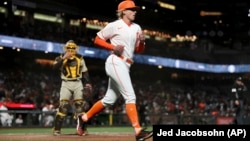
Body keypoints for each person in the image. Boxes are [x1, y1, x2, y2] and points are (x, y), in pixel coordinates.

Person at [77, 0, 153, 140]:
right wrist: (112, 47)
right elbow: (97, 39)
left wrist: (142, 42)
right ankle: (138, 131)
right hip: (116, 61)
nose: (135, 11)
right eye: (131, 9)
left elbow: (139, 50)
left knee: (109, 100)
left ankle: (84, 118)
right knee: (130, 96)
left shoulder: (137, 27)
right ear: (123, 11)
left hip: (127, 64)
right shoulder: (114, 25)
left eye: (135, 9)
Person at [52, 40, 92, 136]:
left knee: (80, 107)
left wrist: (88, 83)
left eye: (72, 49)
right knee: (63, 106)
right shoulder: (60, 57)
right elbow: (54, 68)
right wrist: (63, 58)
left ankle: (82, 129)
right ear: (65, 49)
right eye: (69, 49)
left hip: (78, 82)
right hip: (66, 83)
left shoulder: (80, 58)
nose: (70, 50)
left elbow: (85, 72)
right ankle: (57, 129)